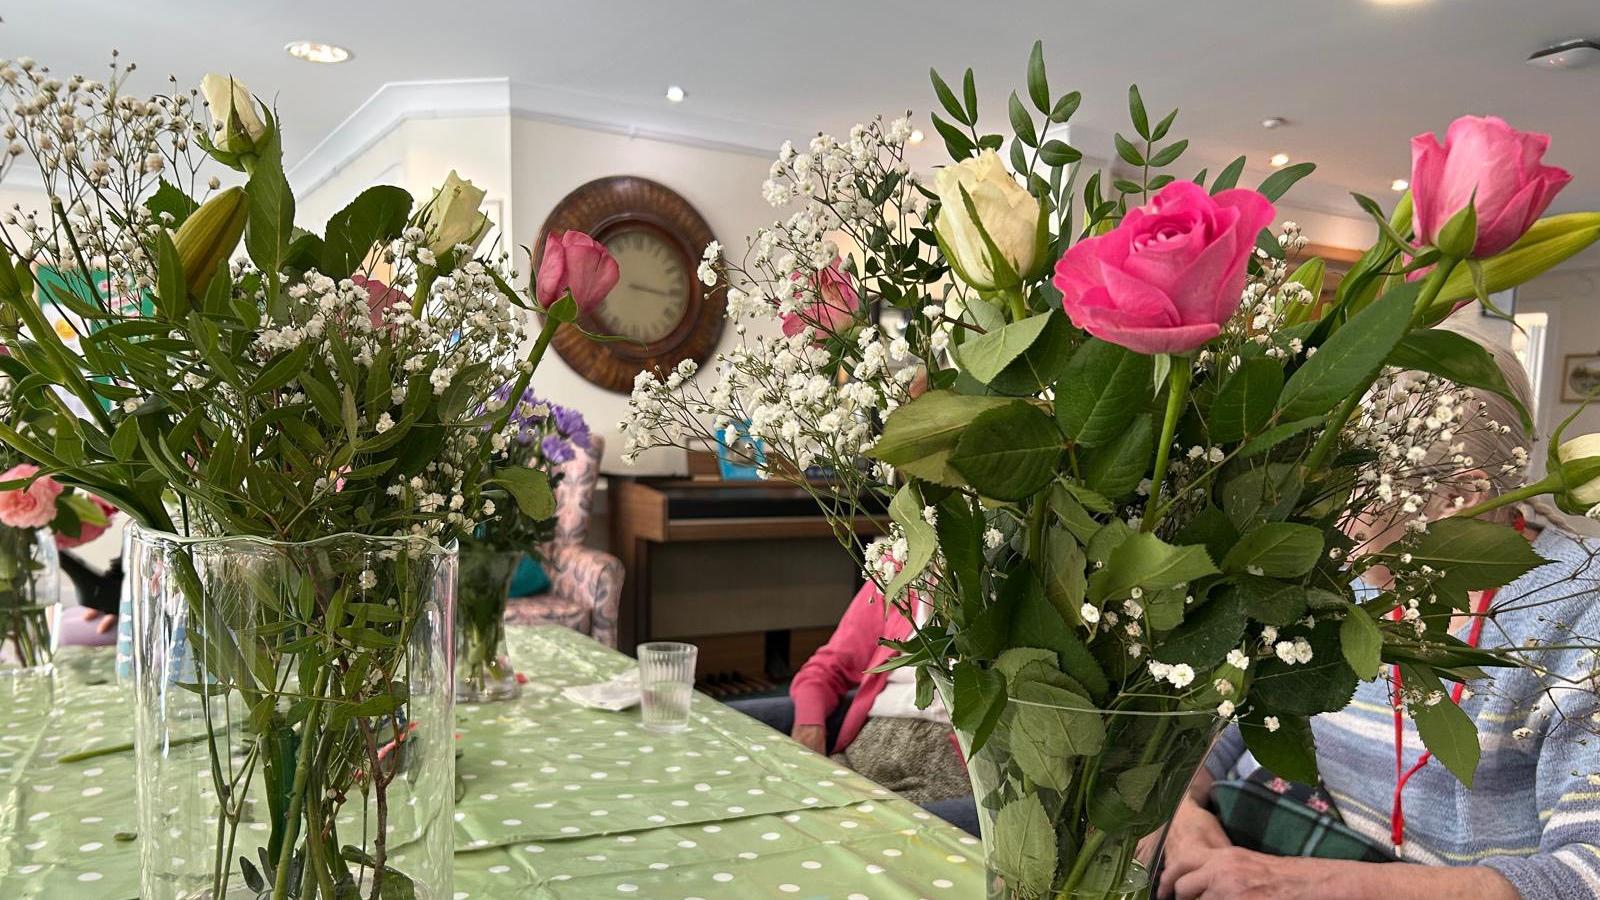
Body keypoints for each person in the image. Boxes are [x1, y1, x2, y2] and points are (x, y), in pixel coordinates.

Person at [1159, 336, 1600, 899]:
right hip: (1262, 846)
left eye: (1356, 484)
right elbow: (1214, 737)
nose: (1325, 508)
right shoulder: (1335, 568)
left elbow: (1586, 875)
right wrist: (1183, 823)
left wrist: (1296, 883)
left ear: (1459, 497)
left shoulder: (1579, 611)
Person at [727, 581, 978, 834]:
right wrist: (809, 726)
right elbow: (829, 665)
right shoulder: (893, 571)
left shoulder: (997, 573)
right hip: (860, 753)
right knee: (760, 810)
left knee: (839, 833)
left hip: (946, 765)